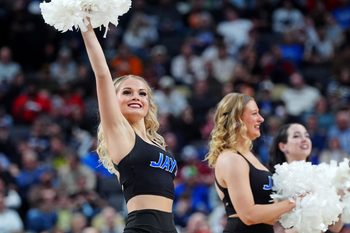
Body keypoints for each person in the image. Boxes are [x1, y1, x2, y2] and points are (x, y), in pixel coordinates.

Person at [80, 23, 178, 233]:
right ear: (113, 101)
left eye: (142, 93)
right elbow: (103, 75)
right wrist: (86, 27)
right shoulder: (120, 133)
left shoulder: (156, 142)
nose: (136, 96)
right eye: (127, 92)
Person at [205, 92, 295, 233]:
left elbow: (268, 212)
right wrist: (294, 202)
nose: (261, 119)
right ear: (237, 118)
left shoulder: (249, 156)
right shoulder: (231, 159)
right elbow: (249, 215)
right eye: (254, 113)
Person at [268, 123, 344, 233]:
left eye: (307, 136)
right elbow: (272, 224)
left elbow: (334, 228)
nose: (304, 139)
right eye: (296, 136)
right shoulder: (274, 180)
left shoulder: (322, 176)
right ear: (283, 146)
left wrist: (342, 197)